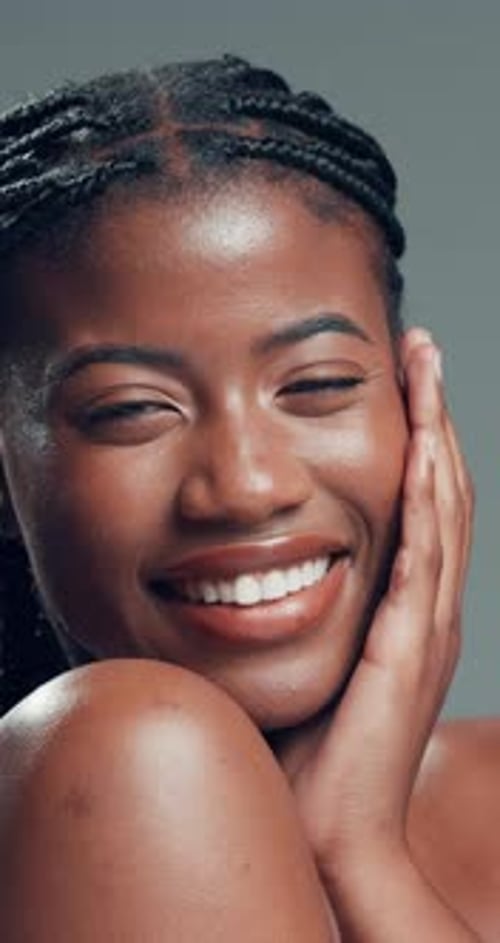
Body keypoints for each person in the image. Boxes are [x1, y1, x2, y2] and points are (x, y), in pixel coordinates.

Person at [0, 54, 494, 941]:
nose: (245, 486)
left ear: (416, 398)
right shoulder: (129, 752)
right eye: (132, 409)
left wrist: (358, 846)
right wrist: (356, 852)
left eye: (317, 384)